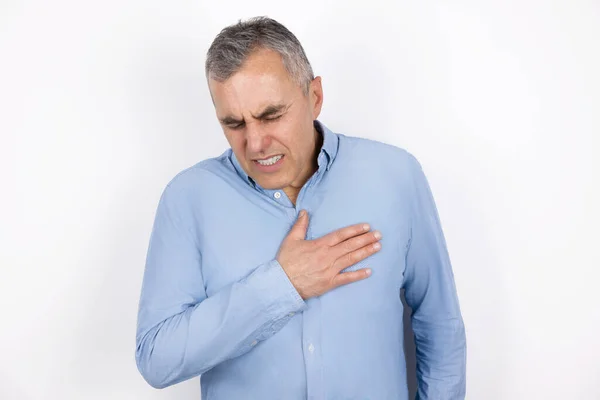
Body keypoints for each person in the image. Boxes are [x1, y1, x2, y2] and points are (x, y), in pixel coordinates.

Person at [135, 16, 466, 400]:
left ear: (315, 97)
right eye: (234, 123)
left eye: (271, 115)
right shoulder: (187, 199)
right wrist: (281, 285)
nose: (255, 143)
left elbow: (439, 324)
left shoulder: (395, 176)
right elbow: (157, 359)